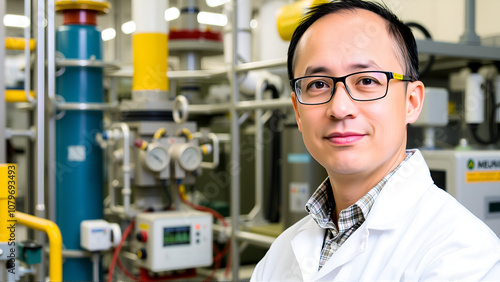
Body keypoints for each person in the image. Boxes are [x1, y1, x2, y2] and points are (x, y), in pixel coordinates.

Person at [251, 0, 500, 281]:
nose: (340, 108)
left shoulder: (464, 255)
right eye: (318, 84)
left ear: (412, 101)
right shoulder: (280, 254)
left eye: (367, 81)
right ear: (297, 111)